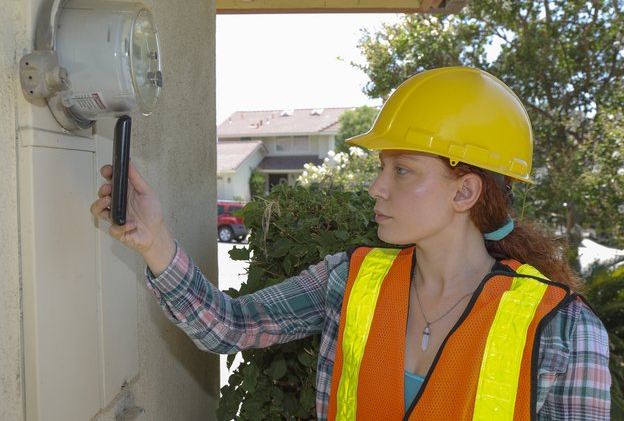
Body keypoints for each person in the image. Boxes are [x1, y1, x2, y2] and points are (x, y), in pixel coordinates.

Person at [91, 67, 611, 420]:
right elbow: (232, 326)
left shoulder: (564, 328)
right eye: (381, 168)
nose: (376, 188)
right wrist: (154, 240)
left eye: (402, 170)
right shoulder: (351, 278)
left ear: (466, 191)